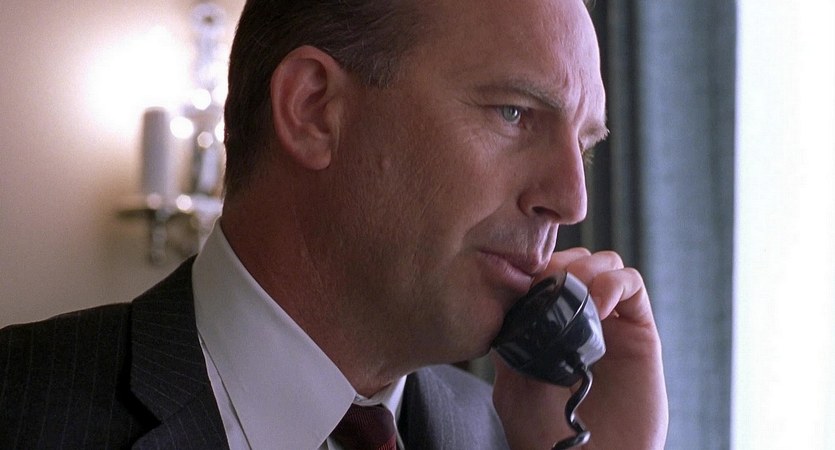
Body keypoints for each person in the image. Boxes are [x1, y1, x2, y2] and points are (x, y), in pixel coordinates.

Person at [0, 0, 668, 448]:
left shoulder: (511, 436)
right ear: (314, 110)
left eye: (584, 147)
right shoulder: (19, 407)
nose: (572, 201)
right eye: (513, 114)